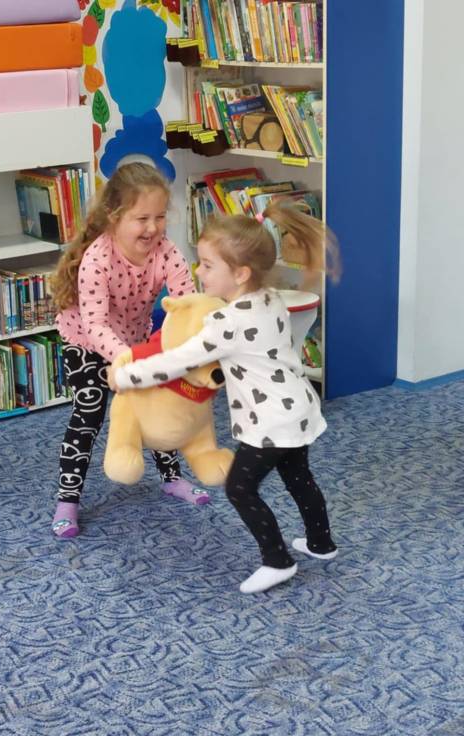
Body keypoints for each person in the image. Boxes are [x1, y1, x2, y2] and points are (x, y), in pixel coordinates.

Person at [109, 208, 340, 593]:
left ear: (241, 273)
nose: (199, 272)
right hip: (298, 408)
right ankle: (321, 543)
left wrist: (124, 376)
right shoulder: (271, 299)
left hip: (269, 421)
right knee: (299, 477)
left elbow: (177, 360)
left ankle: (277, 561)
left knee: (239, 489)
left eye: (208, 265)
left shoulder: (227, 323)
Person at [51, 161, 210, 539]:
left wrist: (190, 347)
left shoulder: (167, 252)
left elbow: (187, 305)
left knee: (158, 401)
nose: (152, 228)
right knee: (89, 410)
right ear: (114, 216)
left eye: (160, 217)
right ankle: (67, 501)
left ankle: (171, 478)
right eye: (141, 219)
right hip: (85, 342)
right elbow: (96, 325)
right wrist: (128, 362)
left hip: (136, 341)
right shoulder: (97, 259)